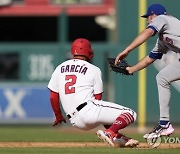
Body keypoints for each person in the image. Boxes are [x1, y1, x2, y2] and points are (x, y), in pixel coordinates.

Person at [48, 38, 139, 147]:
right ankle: (110, 133)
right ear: (88, 52)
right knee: (130, 113)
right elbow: (98, 98)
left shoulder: (59, 68)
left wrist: (58, 115)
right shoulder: (93, 69)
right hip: (88, 110)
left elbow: (53, 96)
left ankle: (118, 137)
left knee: (104, 112)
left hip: (74, 121)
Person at [115, 3, 180, 139]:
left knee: (162, 78)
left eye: (148, 17)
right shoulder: (163, 38)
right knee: (162, 77)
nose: (148, 20)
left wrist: (127, 50)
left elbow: (149, 32)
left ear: (153, 15)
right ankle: (164, 123)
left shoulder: (163, 18)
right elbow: (150, 58)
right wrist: (131, 69)